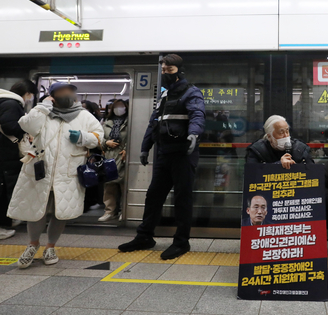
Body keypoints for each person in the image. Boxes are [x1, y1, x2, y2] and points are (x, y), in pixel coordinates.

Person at [118, 54, 205, 260]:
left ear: (180, 71)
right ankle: (145, 236)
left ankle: (181, 242)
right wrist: (145, 147)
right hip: (164, 154)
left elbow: (197, 115)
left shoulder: (192, 93)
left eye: (170, 70)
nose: (165, 74)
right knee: (154, 196)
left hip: (184, 154)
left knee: (182, 198)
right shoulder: (164, 96)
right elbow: (153, 123)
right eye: (163, 70)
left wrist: (194, 133)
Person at [8, 82, 103, 268]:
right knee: (36, 210)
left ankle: (51, 247)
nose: (67, 93)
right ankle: (32, 245)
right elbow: (26, 125)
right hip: (39, 171)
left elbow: (99, 137)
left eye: (70, 90)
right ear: (52, 95)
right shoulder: (42, 112)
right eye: (62, 91)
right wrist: (43, 106)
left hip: (68, 172)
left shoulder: (84, 115)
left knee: (61, 213)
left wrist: (83, 137)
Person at [0, 80, 37, 239]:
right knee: (4, 190)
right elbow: (9, 126)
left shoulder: (4, 101)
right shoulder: (12, 104)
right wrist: (26, 127)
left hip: (3, 154)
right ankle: (2, 226)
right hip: (5, 154)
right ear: (27, 93)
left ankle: (7, 221)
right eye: (31, 95)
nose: (30, 98)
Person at [98, 99, 128, 222]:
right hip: (109, 156)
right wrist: (106, 143)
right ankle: (110, 211)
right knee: (109, 186)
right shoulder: (106, 123)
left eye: (121, 106)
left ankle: (123, 211)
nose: (119, 109)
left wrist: (127, 149)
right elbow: (99, 138)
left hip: (123, 156)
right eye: (116, 106)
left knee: (123, 185)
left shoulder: (130, 122)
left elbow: (134, 136)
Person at [246, 115, 313, 169]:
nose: (286, 136)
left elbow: (313, 172)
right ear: (269, 136)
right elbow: (252, 175)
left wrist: (296, 168)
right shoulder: (257, 151)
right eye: (281, 133)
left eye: (287, 131)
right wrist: (278, 165)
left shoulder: (300, 148)